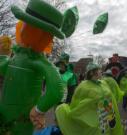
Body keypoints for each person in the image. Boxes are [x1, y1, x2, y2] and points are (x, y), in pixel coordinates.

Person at [0, 0, 78, 134]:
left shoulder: (39, 62)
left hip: (21, 122)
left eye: (27, 26)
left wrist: (38, 110)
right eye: (24, 23)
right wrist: (3, 55)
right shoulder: (18, 55)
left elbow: (57, 89)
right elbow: (6, 68)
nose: (22, 28)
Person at [55, 62, 124, 135]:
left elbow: (111, 95)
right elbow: (76, 104)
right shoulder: (83, 86)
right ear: (91, 72)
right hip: (94, 121)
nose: (101, 71)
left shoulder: (103, 83)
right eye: (98, 70)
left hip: (107, 116)